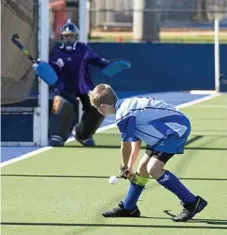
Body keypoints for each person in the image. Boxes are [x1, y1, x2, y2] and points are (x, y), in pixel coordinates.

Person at [89, 84, 208, 222]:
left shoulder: (123, 114)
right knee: (143, 168)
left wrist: (123, 165)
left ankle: (192, 202)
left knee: (154, 168)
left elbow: (126, 145)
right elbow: (136, 142)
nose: (98, 110)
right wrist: (130, 166)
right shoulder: (127, 105)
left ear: (102, 106)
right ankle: (129, 207)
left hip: (173, 130)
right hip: (162, 133)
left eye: (97, 108)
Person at [48, 19, 110, 147]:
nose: (69, 39)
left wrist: (108, 64)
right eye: (66, 36)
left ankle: (83, 133)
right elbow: (51, 70)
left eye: (71, 36)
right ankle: (57, 135)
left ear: (76, 37)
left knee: (99, 106)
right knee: (62, 105)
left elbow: (97, 60)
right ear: (62, 37)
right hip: (64, 87)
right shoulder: (57, 52)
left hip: (84, 86)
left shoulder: (83, 49)